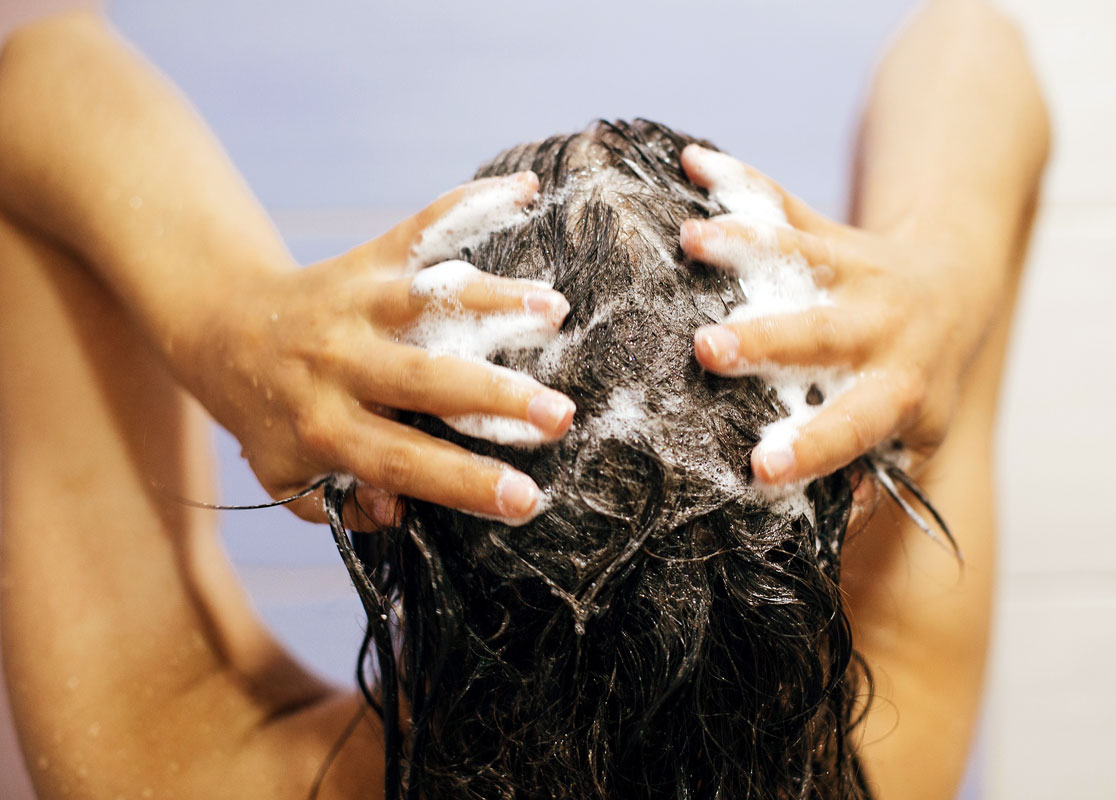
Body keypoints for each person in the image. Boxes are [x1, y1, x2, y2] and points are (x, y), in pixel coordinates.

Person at [0, 2, 1049, 799]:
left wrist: (228, 317)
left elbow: (39, 77)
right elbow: (971, 47)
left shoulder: (187, 766)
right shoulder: (884, 752)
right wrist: (947, 287)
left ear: (380, 493)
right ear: (850, 487)